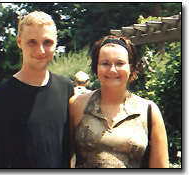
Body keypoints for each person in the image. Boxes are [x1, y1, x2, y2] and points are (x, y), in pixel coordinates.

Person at [0, 11, 74, 168]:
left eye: (47, 42)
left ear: (56, 43)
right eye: (32, 42)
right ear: (19, 42)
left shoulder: (66, 88)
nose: (41, 50)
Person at [69, 35, 169, 168]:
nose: (112, 69)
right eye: (105, 63)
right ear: (96, 67)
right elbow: (64, 160)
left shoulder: (149, 111)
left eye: (119, 63)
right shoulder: (77, 106)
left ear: (131, 67)